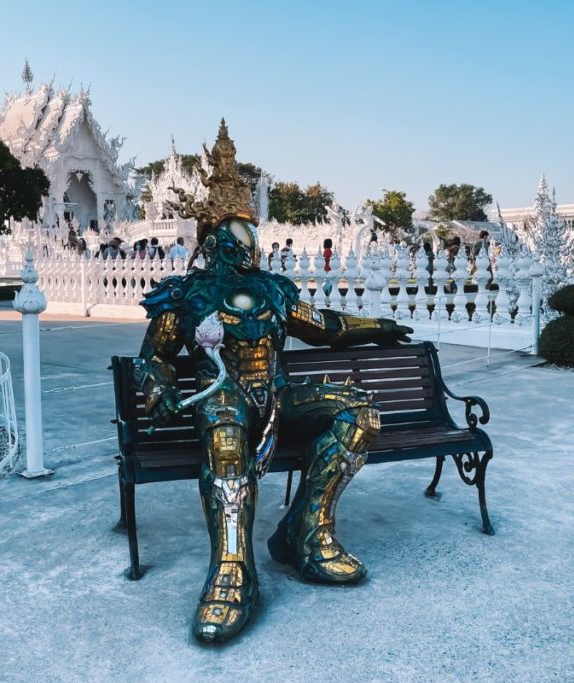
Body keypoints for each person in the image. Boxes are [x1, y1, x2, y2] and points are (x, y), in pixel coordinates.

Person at [136, 120, 413, 643]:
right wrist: (159, 381)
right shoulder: (188, 295)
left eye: (249, 232)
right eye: (236, 235)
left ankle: (305, 531)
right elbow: (154, 355)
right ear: (215, 242)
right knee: (225, 442)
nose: (247, 243)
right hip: (224, 396)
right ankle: (233, 570)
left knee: (360, 413)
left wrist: (377, 326)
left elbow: (326, 327)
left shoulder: (275, 290)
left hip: (278, 393)